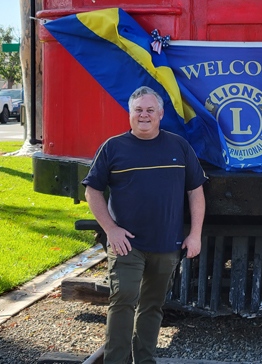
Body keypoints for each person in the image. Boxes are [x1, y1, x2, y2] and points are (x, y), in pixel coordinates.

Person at [82, 86, 207, 364]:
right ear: (130, 113)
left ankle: (145, 360)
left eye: (150, 110)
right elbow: (92, 191)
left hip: (167, 243)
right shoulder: (113, 148)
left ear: (161, 114)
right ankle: (116, 360)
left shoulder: (179, 146)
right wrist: (111, 229)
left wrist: (194, 234)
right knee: (124, 297)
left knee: (152, 306)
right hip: (127, 243)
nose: (144, 115)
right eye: (138, 110)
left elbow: (195, 192)